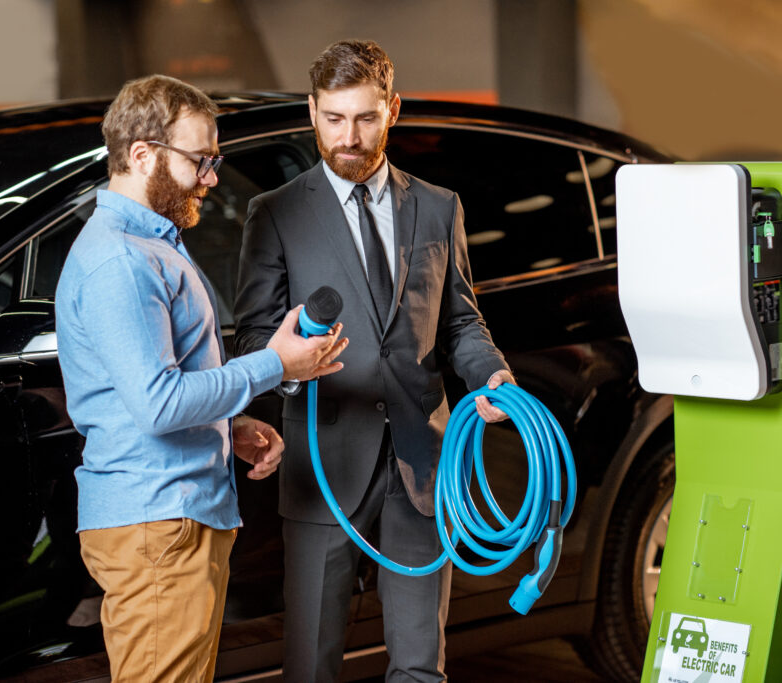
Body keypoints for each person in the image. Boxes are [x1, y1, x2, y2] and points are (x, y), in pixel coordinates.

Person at [233, 40, 516, 682]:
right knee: (312, 664)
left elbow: (461, 319)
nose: (348, 136)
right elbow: (254, 337)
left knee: (420, 665)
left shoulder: (439, 207)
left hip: (423, 461)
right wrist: (289, 363)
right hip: (323, 465)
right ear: (311, 111)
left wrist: (490, 373)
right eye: (333, 118)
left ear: (393, 109)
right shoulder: (274, 214)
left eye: (364, 118)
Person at [55, 74, 348, 683]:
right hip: (158, 524)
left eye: (214, 161)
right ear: (142, 154)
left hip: (172, 518)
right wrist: (279, 362)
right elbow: (158, 405)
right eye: (199, 161)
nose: (212, 179)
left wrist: (229, 424)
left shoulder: (151, 243)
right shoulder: (122, 262)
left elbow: (159, 385)